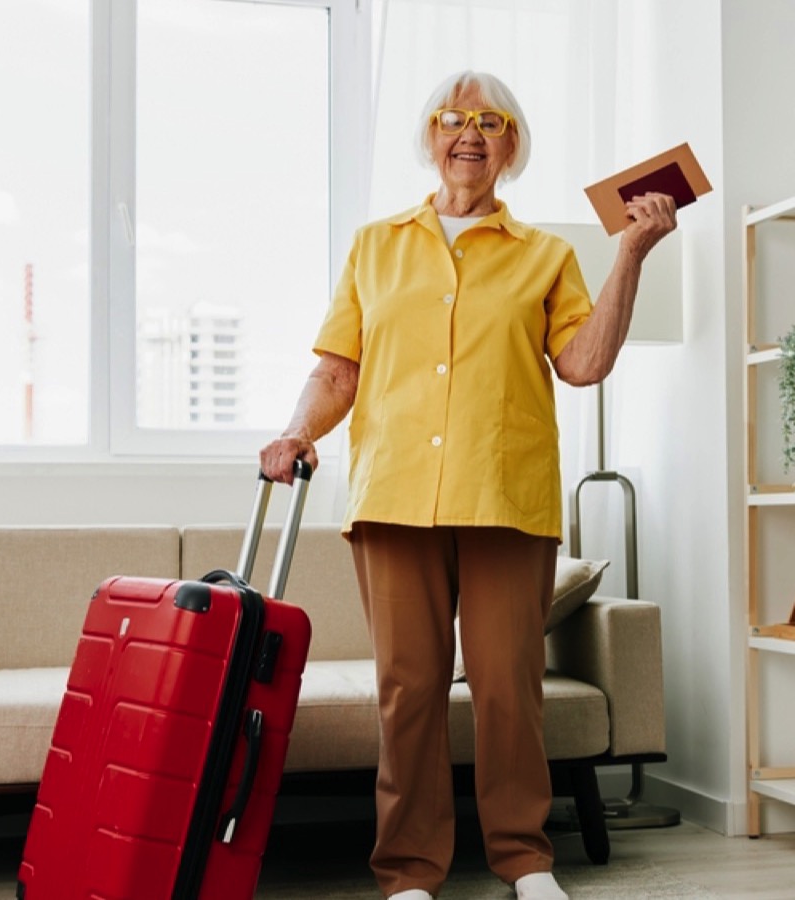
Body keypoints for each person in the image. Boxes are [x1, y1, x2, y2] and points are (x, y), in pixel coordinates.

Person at [260, 70, 677, 900]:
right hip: (395, 497)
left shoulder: (547, 256)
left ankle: (524, 859)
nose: (470, 134)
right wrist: (296, 431)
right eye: (453, 119)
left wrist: (629, 253)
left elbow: (584, 364)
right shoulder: (376, 245)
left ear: (512, 145)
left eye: (491, 121)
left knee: (506, 688)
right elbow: (339, 369)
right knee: (408, 690)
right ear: (430, 137)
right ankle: (410, 870)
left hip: (505, 497)